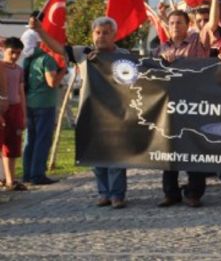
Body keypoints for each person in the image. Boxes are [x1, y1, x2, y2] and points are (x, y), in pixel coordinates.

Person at [33, 16, 132, 207]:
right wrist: (40, 31)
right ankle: (103, 193)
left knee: (117, 156)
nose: (101, 36)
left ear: (114, 35)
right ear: (92, 34)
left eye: (106, 32)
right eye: (98, 32)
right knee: (96, 156)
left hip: (117, 114)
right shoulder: (83, 53)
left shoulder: (124, 54)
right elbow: (58, 48)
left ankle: (118, 195)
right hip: (90, 113)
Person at [156, 7, 216, 207]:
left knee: (194, 148)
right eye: (171, 23)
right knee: (169, 149)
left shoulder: (198, 42)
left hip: (195, 104)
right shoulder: (160, 48)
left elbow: (212, 24)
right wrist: (161, 62)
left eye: (179, 22)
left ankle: (194, 193)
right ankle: (170, 193)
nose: (175, 26)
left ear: (187, 25)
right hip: (170, 107)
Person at [22, 30, 66, 185]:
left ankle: (27, 174)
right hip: (45, 104)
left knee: (30, 140)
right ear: (40, 43)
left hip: (29, 103)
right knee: (42, 140)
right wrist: (63, 71)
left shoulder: (27, 60)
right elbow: (52, 82)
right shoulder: (46, 59)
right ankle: (38, 175)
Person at [1, 37, 26, 191]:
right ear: (4, 50)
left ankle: (11, 179)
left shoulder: (19, 70)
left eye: (18, 53)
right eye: (12, 52)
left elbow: (21, 92)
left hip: (15, 109)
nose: (15, 56)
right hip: (2, 108)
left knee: (13, 146)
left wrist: (24, 114)